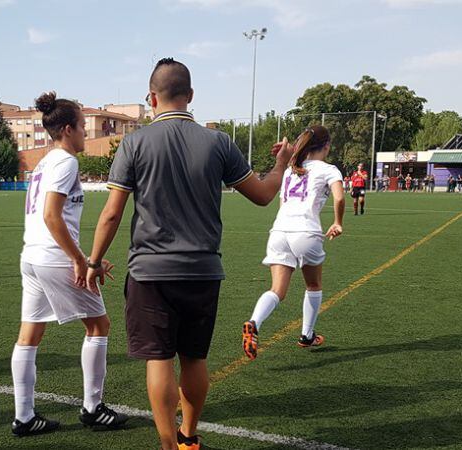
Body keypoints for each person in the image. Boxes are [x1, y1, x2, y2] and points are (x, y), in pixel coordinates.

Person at [84, 58, 293, 450]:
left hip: (150, 272)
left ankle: (167, 444)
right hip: (203, 270)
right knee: (194, 358)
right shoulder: (219, 142)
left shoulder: (134, 143)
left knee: (159, 359)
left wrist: (93, 261)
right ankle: (188, 438)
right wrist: (281, 163)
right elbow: (264, 195)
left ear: (151, 98)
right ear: (191, 95)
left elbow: (112, 213)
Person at [10, 92, 128, 437]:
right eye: (82, 126)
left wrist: (87, 257)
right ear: (67, 129)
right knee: (99, 326)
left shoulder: (45, 162)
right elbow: (52, 216)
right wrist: (79, 260)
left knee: (29, 335)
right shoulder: (66, 162)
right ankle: (93, 409)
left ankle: (24, 417)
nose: (85, 132)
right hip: (54, 259)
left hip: (33, 257)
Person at [242, 126, 345, 360]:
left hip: (279, 231)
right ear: (327, 146)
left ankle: (254, 322)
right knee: (313, 285)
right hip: (306, 231)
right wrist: (338, 222)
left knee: (277, 290)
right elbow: (339, 197)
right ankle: (307, 335)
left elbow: (282, 203)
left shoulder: (290, 170)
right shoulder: (329, 169)